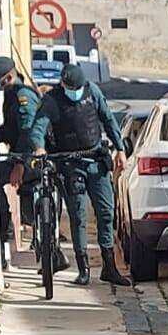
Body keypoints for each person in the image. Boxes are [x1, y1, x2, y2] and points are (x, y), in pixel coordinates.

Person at [29, 63, 130, 287]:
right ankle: (83, 269)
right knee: (78, 216)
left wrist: (120, 148)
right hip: (71, 164)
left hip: (96, 159)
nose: (74, 91)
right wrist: (39, 147)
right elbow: (39, 125)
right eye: (69, 87)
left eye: (77, 87)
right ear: (63, 84)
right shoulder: (53, 100)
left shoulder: (92, 92)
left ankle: (109, 267)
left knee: (106, 212)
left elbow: (108, 119)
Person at [0, 56, 40, 252]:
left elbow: (28, 133)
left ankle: (6, 229)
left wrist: (20, 164)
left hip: (31, 158)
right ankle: (5, 227)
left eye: (0, 81)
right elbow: (12, 130)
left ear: (9, 77)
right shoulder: (12, 95)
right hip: (20, 155)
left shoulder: (23, 98)